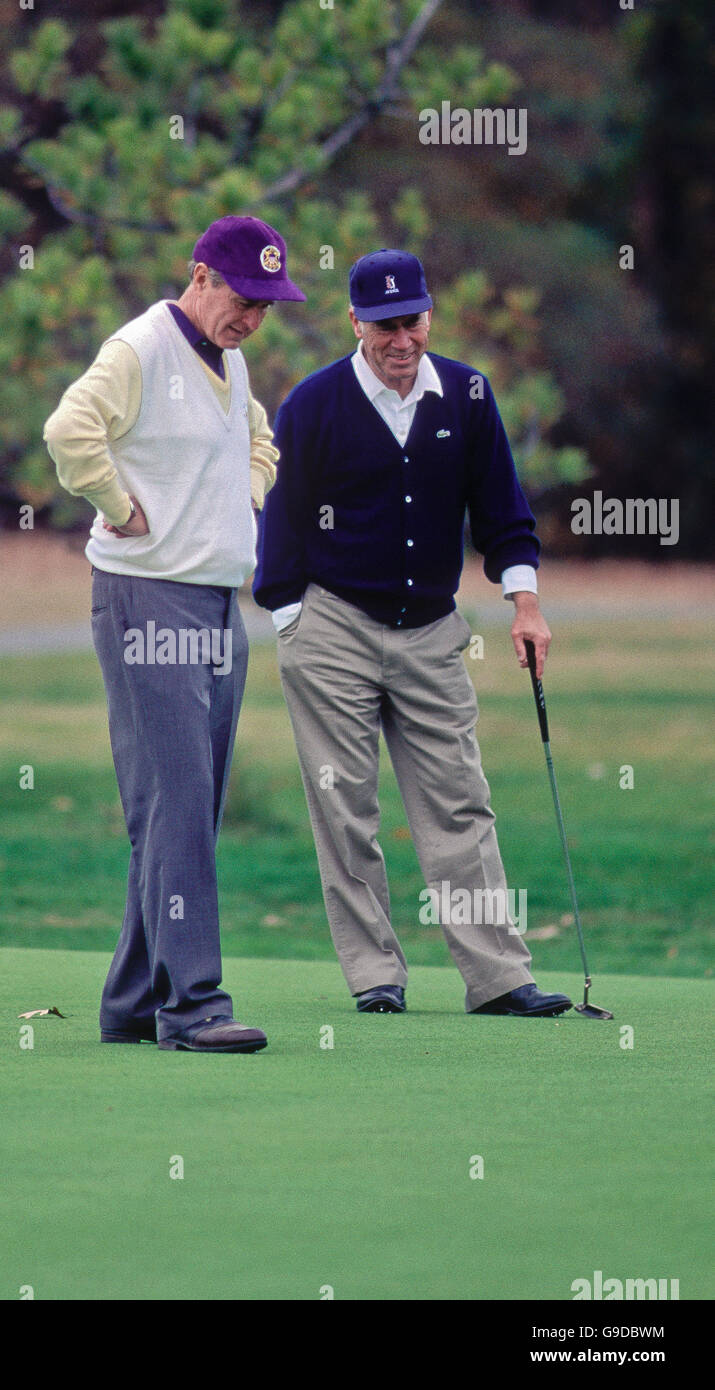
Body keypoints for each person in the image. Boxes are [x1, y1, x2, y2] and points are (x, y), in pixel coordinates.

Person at [253, 248, 572, 1018]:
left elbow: (502, 510)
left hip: (432, 629)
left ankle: (496, 978)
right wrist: (287, 613)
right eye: (386, 324)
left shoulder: (465, 394)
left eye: (414, 320)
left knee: (458, 801)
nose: (402, 338)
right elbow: (281, 518)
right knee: (345, 805)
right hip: (330, 625)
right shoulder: (314, 402)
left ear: (429, 315)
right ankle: (374, 977)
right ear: (356, 322)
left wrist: (523, 603)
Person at [44, 215, 306, 1051]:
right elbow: (67, 430)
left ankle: (130, 1002)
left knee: (178, 806)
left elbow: (258, 439)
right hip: (145, 600)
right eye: (243, 297)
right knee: (180, 803)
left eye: (267, 304)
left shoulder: (229, 358)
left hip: (215, 603)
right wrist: (120, 508)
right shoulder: (139, 349)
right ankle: (192, 1005)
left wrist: (246, 494)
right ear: (200, 275)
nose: (254, 317)